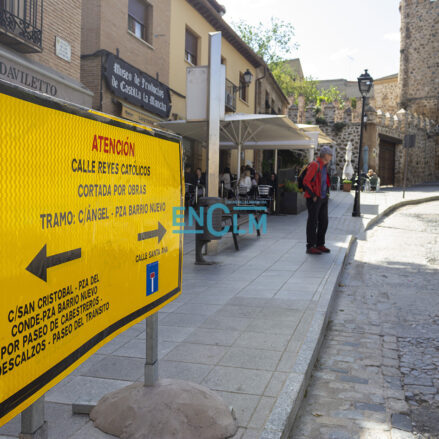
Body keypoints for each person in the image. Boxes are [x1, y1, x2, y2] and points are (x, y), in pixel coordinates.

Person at [303, 146, 332, 255]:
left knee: (324, 222)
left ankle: (320, 244)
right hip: (314, 198)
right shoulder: (315, 165)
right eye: (330, 154)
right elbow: (306, 181)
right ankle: (310, 246)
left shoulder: (325, 166)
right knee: (312, 222)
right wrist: (313, 195)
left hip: (323, 197)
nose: (331, 157)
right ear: (325, 155)